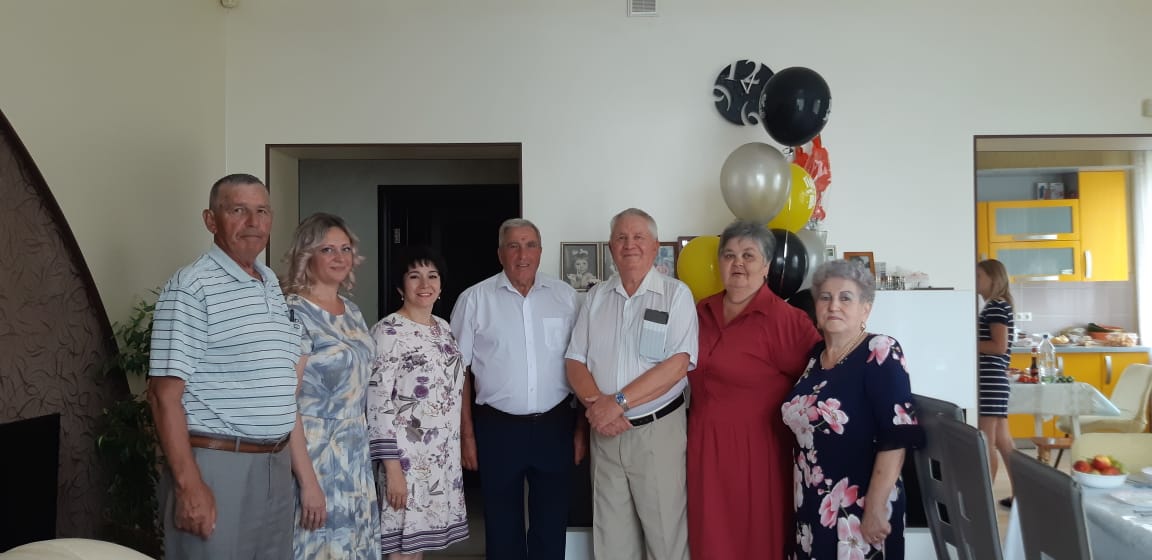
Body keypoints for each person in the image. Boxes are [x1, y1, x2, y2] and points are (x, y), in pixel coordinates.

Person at [148, 173, 301, 559]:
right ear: (210, 220)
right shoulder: (191, 287)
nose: (253, 222)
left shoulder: (269, 281)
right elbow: (163, 397)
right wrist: (189, 485)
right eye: (238, 211)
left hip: (275, 463)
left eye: (262, 211)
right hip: (218, 464)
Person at [565, 208, 698, 560]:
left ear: (655, 246)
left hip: (657, 434)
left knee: (665, 538)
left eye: (639, 237)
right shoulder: (595, 298)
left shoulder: (676, 295)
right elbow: (574, 360)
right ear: (611, 247)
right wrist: (598, 407)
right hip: (605, 434)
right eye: (621, 238)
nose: (630, 244)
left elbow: (677, 366)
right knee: (612, 540)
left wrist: (617, 403)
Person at [687, 221, 822, 559]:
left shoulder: (786, 320)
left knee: (756, 540)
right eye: (729, 255)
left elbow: (822, 380)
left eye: (749, 255)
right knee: (708, 539)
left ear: (766, 266)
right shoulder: (699, 312)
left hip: (758, 453)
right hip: (703, 450)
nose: (738, 263)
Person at [451, 218, 584, 560]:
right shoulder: (475, 299)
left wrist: (581, 430)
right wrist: (466, 435)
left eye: (530, 245)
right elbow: (458, 373)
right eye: (513, 246)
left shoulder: (566, 297)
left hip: (556, 425)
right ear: (500, 254)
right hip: (497, 427)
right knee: (501, 524)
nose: (522, 255)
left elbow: (584, 363)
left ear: (540, 251)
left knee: (551, 522)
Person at [782, 260, 924, 560]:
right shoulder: (815, 359)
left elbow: (897, 435)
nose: (834, 305)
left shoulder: (880, 350)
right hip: (811, 505)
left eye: (845, 298)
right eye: (825, 297)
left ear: (865, 309)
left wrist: (876, 506)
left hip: (859, 509)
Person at [282, 213, 380, 558]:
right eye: (328, 249)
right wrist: (308, 483)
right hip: (315, 456)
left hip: (355, 454)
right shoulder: (293, 313)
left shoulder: (351, 311)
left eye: (345, 248)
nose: (339, 257)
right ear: (307, 255)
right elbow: (285, 403)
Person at [368, 247, 468, 559]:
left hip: (439, 458)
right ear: (400, 287)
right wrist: (392, 469)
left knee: (417, 545)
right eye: (414, 276)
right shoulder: (388, 332)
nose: (425, 284)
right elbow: (377, 403)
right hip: (405, 459)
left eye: (432, 276)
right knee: (399, 545)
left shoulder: (444, 328)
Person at [976, 258, 1016, 507]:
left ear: (994, 279)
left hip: (989, 380)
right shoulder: (997, 306)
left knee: (986, 441)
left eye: (979, 276)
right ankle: (1021, 495)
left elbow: (998, 346)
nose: (975, 281)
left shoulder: (996, 307)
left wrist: (969, 341)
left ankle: (984, 502)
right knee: (1004, 443)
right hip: (995, 380)